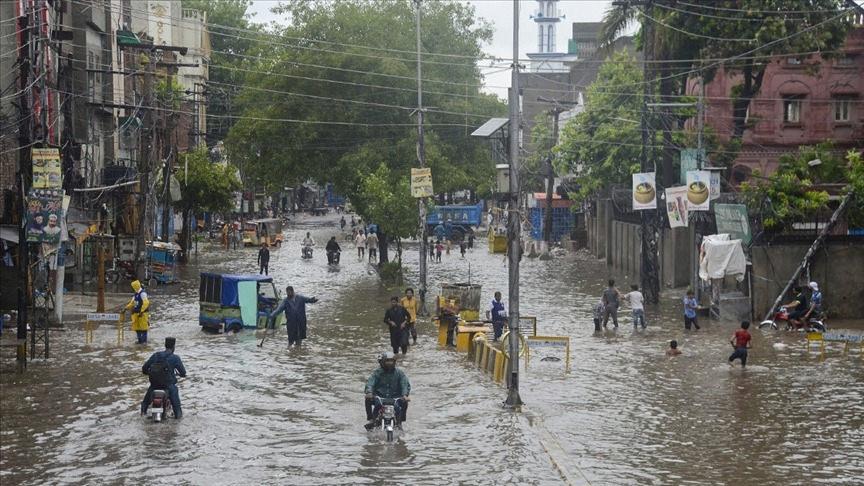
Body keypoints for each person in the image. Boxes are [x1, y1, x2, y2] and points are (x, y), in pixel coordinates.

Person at [141, 337, 187, 419]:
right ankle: (178, 418)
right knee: (176, 405)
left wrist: (148, 373)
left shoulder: (156, 355)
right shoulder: (175, 358)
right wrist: (182, 375)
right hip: (168, 386)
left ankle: (142, 413)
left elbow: (144, 368)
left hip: (154, 385)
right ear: (173, 347)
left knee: (145, 402)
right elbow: (183, 372)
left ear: (165, 345)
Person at [364, 351, 411, 430]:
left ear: (394, 362)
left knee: (401, 405)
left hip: (395, 397)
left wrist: (405, 395)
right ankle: (371, 419)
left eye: (391, 361)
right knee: (368, 400)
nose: (389, 363)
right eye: (387, 361)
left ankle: (400, 423)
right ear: (382, 362)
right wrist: (369, 392)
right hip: (379, 397)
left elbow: (404, 384)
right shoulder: (377, 373)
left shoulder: (399, 373)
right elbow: (370, 383)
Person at [124, 280, 150, 344]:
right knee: (137, 328)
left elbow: (146, 303)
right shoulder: (136, 294)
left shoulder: (143, 293)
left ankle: (144, 342)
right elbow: (132, 303)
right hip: (136, 313)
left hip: (143, 314)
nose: (133, 288)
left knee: (144, 328)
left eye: (133, 287)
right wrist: (125, 308)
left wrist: (142, 311)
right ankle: (140, 341)